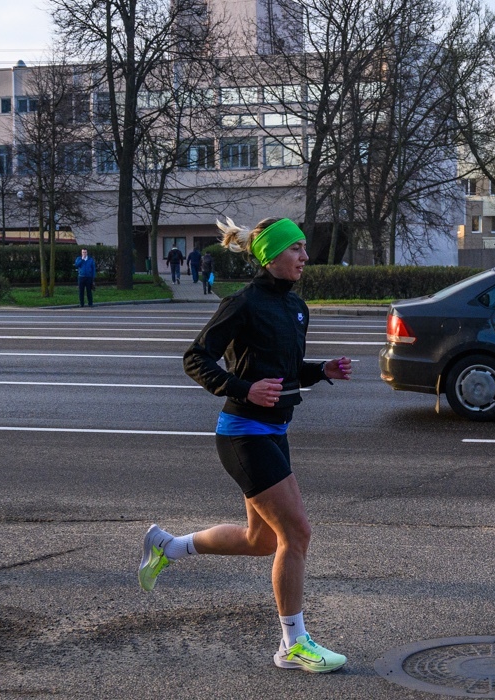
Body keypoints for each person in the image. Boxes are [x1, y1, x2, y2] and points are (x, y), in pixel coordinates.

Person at [139, 216, 353, 674]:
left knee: (261, 540)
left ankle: (168, 547)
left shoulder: (297, 308)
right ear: (271, 256)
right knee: (296, 534)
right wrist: (242, 388)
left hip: (274, 432)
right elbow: (195, 358)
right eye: (295, 248)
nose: (304, 256)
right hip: (243, 434)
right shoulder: (244, 303)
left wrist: (322, 371)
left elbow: (287, 369)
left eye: (303, 249)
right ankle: (292, 644)